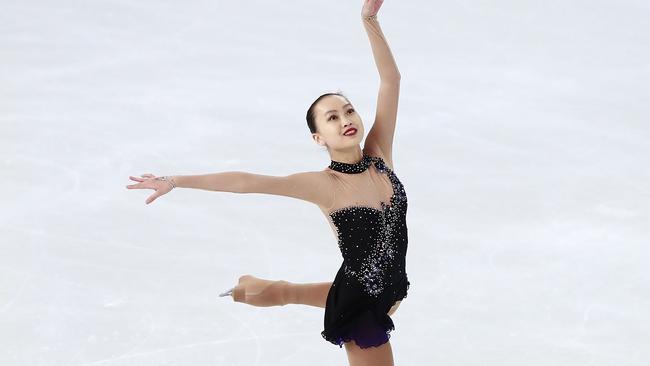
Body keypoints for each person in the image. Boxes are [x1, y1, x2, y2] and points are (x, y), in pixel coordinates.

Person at [125, 1, 408, 365]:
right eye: (331, 118)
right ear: (318, 138)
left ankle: (273, 291)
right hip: (361, 309)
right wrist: (174, 180)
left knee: (333, 288)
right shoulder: (324, 185)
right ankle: (274, 292)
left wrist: (369, 21)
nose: (345, 121)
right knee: (351, 296)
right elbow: (247, 182)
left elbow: (391, 80)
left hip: (387, 289)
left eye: (348, 110)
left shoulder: (380, 155)